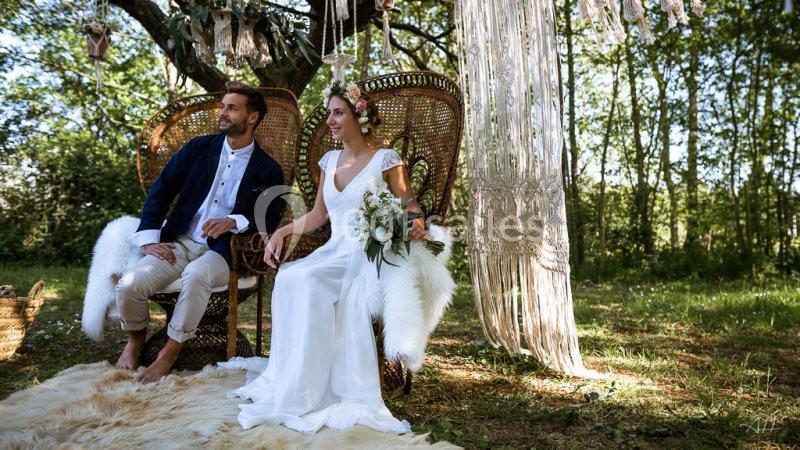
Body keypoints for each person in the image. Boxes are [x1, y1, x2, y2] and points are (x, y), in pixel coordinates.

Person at [221, 81, 428, 434]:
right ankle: (295, 378)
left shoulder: (386, 160)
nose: (330, 120)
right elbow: (318, 215)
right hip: (334, 249)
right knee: (289, 276)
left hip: (367, 254)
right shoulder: (329, 161)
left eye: (338, 113)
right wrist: (283, 232)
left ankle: (313, 388)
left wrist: (416, 222)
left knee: (307, 278)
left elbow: (410, 205)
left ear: (359, 117)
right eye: (329, 113)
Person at [114, 81, 285, 383]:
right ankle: (136, 339)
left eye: (232, 108)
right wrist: (150, 239)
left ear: (253, 117)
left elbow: (270, 217)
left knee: (196, 276)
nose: (223, 113)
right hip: (180, 240)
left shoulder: (268, 168)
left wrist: (234, 221)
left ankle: (169, 353)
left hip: (224, 250)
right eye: (224, 106)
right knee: (130, 285)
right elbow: (161, 190)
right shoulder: (198, 149)